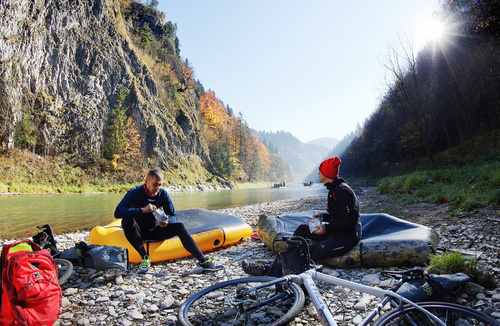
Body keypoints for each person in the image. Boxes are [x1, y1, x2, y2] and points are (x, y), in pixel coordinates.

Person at [241, 156, 361, 276]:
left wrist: (326, 228)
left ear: (327, 174)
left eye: (321, 170)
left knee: (307, 251)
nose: (318, 173)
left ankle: (266, 270)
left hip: (346, 238)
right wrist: (324, 216)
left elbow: (351, 220)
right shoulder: (334, 189)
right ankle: (281, 259)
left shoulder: (342, 191)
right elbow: (340, 215)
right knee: (302, 229)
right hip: (335, 232)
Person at [115, 168, 217, 273]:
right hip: (138, 232)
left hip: (156, 230)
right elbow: (118, 212)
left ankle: (203, 260)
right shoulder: (134, 192)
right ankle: (145, 257)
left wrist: (167, 222)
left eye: (159, 185)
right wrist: (142, 210)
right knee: (126, 221)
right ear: (147, 181)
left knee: (180, 226)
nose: (157, 188)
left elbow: (173, 216)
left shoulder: (162, 194)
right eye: (155, 184)